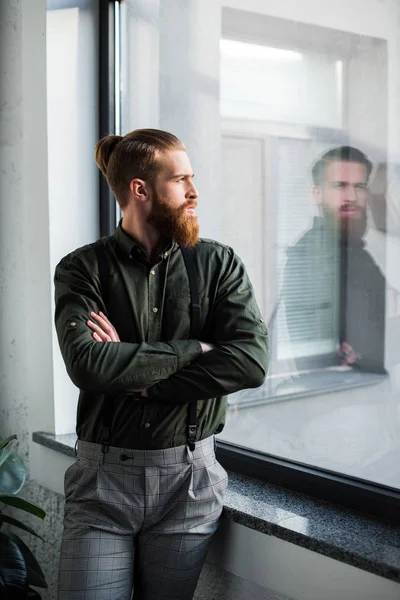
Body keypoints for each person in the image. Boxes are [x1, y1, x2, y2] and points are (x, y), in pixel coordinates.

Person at [54, 128, 269, 600]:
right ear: (141, 189)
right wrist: (195, 348)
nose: (195, 192)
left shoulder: (219, 264)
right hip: (102, 484)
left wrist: (140, 379)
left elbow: (250, 363)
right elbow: (88, 365)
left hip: (190, 483)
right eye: (181, 180)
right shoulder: (82, 269)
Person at [282, 146, 386, 373]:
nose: (351, 197)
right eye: (340, 186)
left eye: (360, 187)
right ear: (317, 193)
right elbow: (332, 356)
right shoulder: (313, 255)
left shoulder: (355, 253)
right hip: (341, 397)